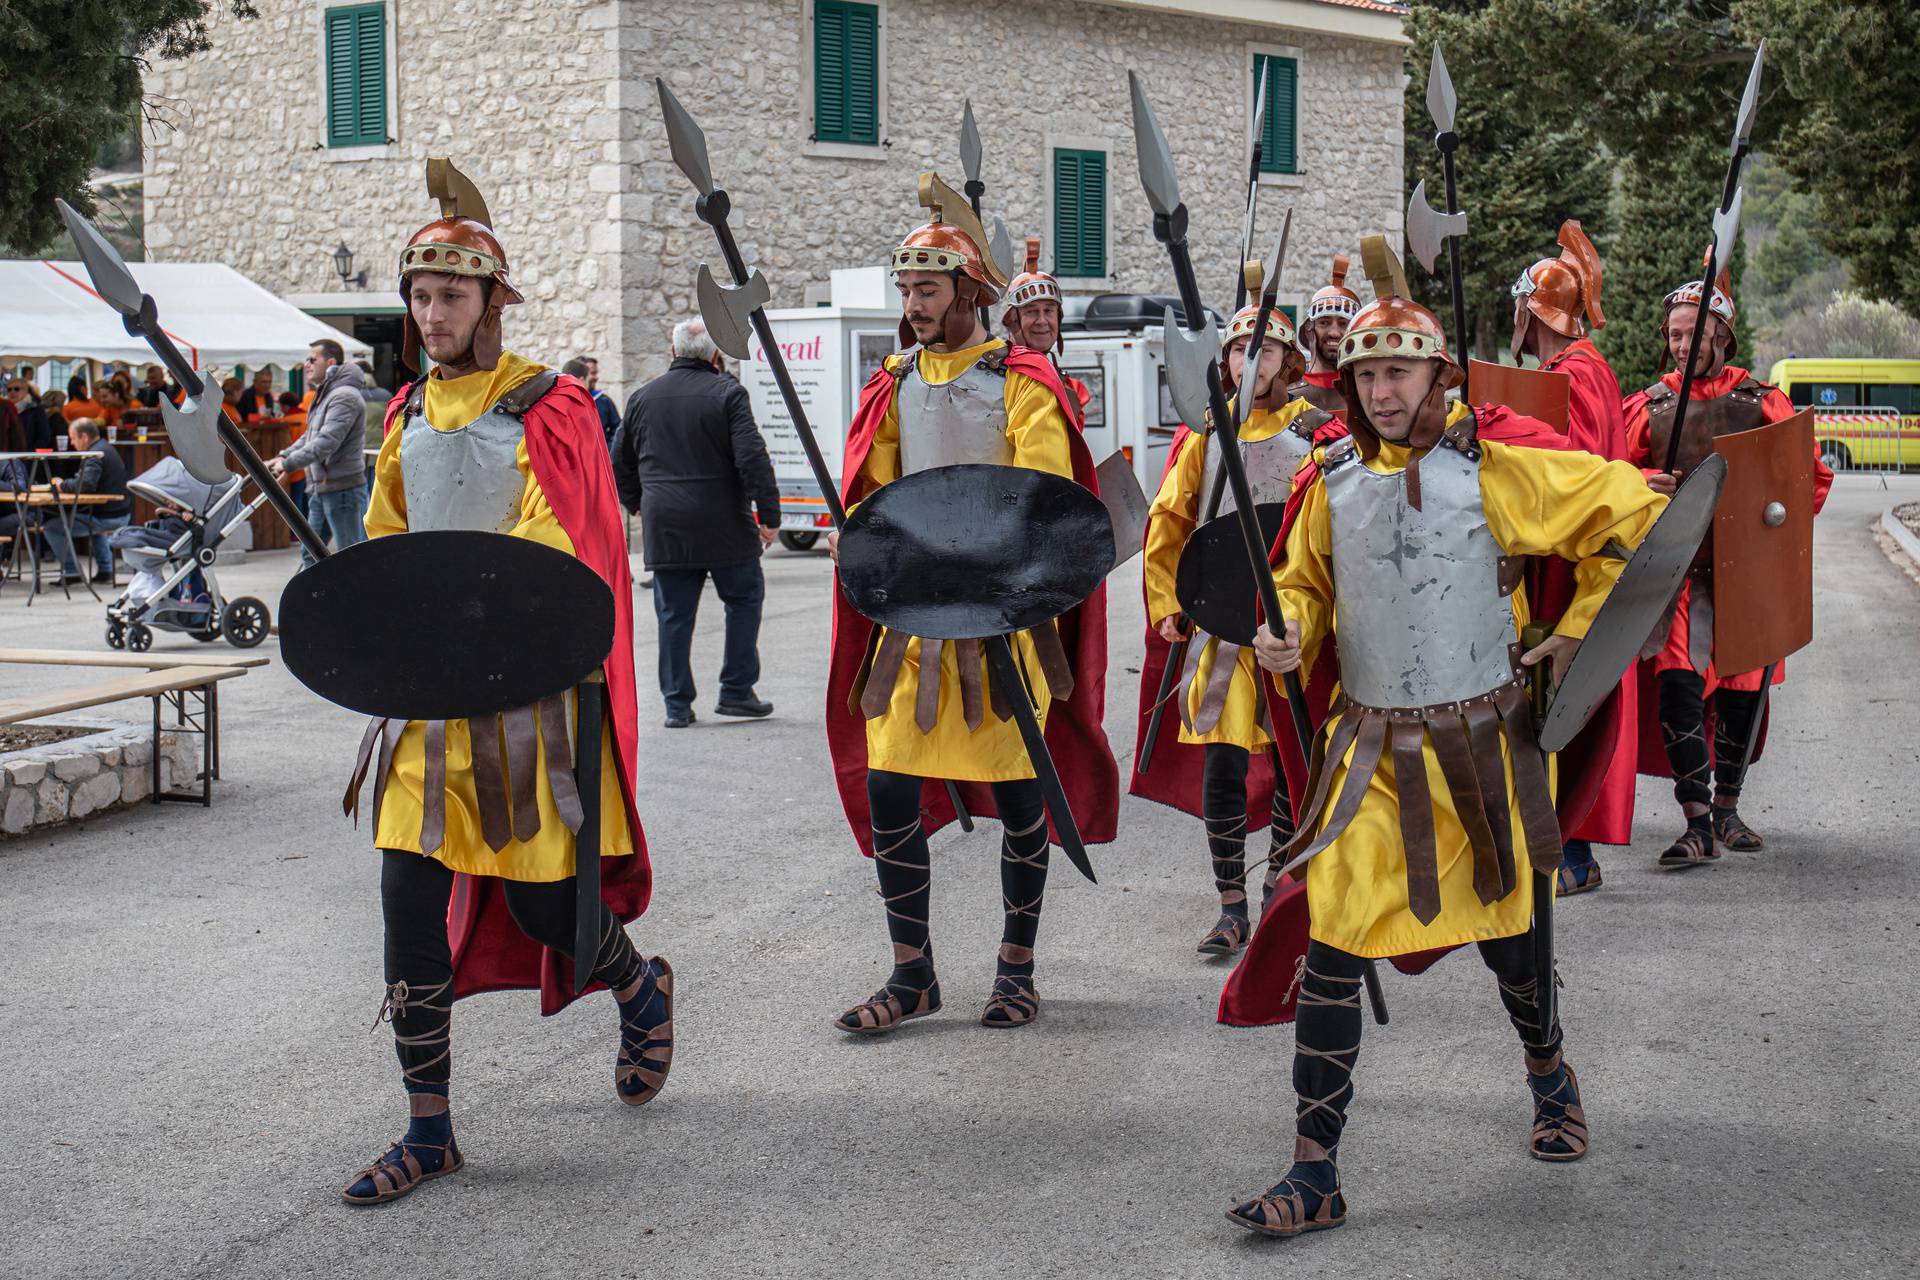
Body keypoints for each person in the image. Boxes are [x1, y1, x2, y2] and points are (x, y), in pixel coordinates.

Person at [1224, 279, 1669, 1239]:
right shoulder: (1327, 480)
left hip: (1486, 751)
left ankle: (1548, 1071)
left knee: (1513, 942)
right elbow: (1298, 588)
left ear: (1436, 373)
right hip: (1370, 755)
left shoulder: (1499, 469)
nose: (1383, 390)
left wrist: (1577, 633)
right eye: (1368, 372)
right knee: (1334, 942)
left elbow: (1631, 516)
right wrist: (1285, 634)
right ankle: (1315, 1173)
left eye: (1401, 370)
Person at [339, 158, 672, 1206]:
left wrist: (469, 622)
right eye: (420, 295)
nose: (431, 312)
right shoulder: (402, 414)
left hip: (524, 708)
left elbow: (560, 546)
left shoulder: (551, 406)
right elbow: (388, 538)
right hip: (426, 717)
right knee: (406, 907)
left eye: (450, 294)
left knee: (545, 912)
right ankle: (428, 1127)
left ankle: (636, 980)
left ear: (491, 304)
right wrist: (380, 615)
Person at [822, 187, 1118, 1033]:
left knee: (1023, 799)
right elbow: (874, 491)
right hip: (912, 628)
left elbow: (1043, 495)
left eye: (927, 290)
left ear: (968, 291)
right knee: (889, 790)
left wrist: (999, 568)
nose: (912, 306)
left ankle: (1016, 968)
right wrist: (856, 533)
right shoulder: (895, 382)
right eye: (905, 290)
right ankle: (912, 971)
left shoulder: (1018, 381)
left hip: (997, 624)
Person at [1134, 300, 1334, 955]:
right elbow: (1170, 519)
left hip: (1287, 627)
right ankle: (1230, 906)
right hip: (1220, 628)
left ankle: (1279, 885)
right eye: (1240, 350)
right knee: (1221, 767)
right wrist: (1167, 600)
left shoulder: (1316, 432)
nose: (1250, 361)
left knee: (1286, 762)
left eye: (1265, 350)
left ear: (1289, 362)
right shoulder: (1206, 434)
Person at [1624, 267, 1831, 868]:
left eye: (1694, 334)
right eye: (1675, 335)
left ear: (1722, 338)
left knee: (1744, 696)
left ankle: (1728, 810)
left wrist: (1773, 539)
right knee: (1679, 691)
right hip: (1679, 576)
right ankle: (1694, 819)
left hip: (1747, 578)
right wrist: (1642, 481)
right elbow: (1606, 474)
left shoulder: (1764, 402)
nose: (1683, 346)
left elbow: (1807, 477)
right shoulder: (1650, 406)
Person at [1507, 220, 1637, 896]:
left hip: (1569, 558)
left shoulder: (1574, 374)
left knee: (1557, 694)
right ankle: (1563, 847)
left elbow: (1576, 465)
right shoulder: (1580, 369)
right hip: (1563, 555)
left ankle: (1573, 854)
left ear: (1534, 312)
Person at [611, 320, 780, 728]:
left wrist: (636, 502)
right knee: (743, 601)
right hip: (725, 522)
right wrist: (770, 516)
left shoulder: (641, 398)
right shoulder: (728, 394)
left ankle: (676, 705)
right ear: (716, 356)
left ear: (673, 352)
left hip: (665, 522)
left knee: (673, 615)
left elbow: (618, 461)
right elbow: (752, 457)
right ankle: (737, 691)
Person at [268, 339, 368, 567]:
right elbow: (309, 437)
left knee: (348, 558)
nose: (306, 364)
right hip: (322, 488)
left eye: (312, 359)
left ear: (330, 362)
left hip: (342, 490)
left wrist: (289, 464)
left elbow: (326, 442)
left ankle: (355, 601)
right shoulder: (327, 394)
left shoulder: (344, 397)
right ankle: (317, 601)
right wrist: (284, 456)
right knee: (310, 554)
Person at [999, 237, 1089, 425]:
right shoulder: (998, 378)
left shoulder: (1065, 382)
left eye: (1048, 311)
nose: (1042, 321)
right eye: (1031, 311)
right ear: (1014, 320)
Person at [44, 419, 132, 583]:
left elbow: (85, 483)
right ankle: (105, 570)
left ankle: (71, 572)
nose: (71, 443)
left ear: (84, 437)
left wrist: (61, 484)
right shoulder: (104, 447)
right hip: (119, 513)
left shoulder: (94, 454)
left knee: (52, 528)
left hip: (108, 517)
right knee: (91, 518)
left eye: (73, 438)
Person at [1290, 255, 1360, 415]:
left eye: (1343, 323)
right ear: (1309, 330)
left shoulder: (1368, 392)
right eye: (1324, 322)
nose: (1334, 333)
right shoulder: (1288, 395)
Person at [572, 354, 621, 446]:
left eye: (596, 373)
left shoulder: (604, 401)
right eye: (592, 373)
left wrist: (607, 451)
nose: (596, 377)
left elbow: (618, 430)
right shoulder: (566, 402)